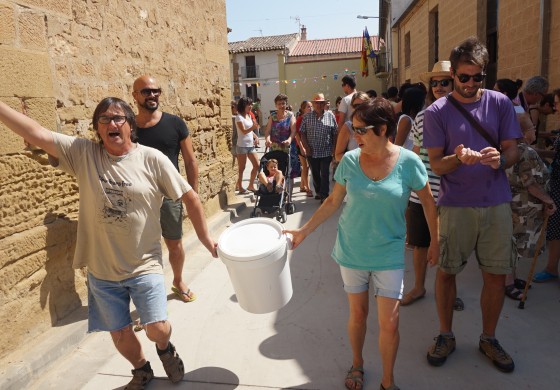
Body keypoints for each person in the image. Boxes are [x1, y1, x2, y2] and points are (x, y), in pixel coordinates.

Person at [0, 97, 218, 389]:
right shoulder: (83, 153)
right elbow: (35, 133)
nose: (112, 123)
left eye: (118, 118)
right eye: (104, 119)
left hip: (144, 265)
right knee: (119, 333)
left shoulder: (152, 159)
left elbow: (189, 196)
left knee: (156, 328)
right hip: (102, 272)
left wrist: (206, 239)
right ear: (97, 129)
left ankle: (165, 349)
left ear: (130, 125)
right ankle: (142, 370)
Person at [285, 98, 438, 390]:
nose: (355, 136)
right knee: (358, 314)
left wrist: (435, 242)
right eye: (354, 129)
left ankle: (388, 381)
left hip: (390, 253)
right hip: (352, 250)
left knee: (390, 323)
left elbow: (429, 203)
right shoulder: (351, 162)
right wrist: (302, 231)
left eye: (361, 130)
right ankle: (357, 363)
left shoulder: (409, 162)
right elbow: (332, 201)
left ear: (382, 129)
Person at [423, 36, 522, 373]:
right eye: (462, 77)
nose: (468, 84)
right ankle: (445, 334)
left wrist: (500, 160)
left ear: (484, 74)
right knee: (448, 272)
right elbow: (436, 165)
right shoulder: (437, 112)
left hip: (496, 203)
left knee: (495, 276)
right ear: (453, 76)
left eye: (476, 77)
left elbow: (514, 150)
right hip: (455, 206)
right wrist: (458, 158)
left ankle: (489, 338)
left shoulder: (500, 103)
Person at [132, 75, 199, 303]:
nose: (152, 95)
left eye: (155, 91)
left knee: (174, 242)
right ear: (135, 96)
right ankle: (148, 300)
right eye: (146, 92)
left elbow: (190, 161)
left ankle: (178, 281)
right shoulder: (127, 127)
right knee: (142, 250)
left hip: (170, 195)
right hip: (138, 198)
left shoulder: (175, 123)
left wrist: (192, 197)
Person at [401, 60, 453, 307]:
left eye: (445, 82)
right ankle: (419, 286)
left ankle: (449, 291)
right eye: (435, 83)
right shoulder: (421, 117)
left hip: (451, 193)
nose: (440, 87)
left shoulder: (461, 117)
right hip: (422, 192)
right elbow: (417, 151)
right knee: (420, 244)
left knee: (449, 246)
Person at [505, 113, 556, 300]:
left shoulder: (511, 149)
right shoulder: (525, 152)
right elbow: (530, 184)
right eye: (532, 128)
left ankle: (512, 278)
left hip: (515, 204)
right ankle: (508, 283)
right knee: (514, 245)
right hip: (522, 207)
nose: (534, 130)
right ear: (523, 132)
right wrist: (548, 200)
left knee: (514, 243)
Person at [534, 88, 560, 282]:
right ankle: (551, 268)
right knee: (554, 228)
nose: (555, 108)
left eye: (558, 104)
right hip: (557, 182)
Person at [299, 93, 337, 203]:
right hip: (312, 151)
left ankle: (324, 195)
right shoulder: (307, 117)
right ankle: (319, 192)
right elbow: (302, 133)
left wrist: (333, 149)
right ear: (314, 104)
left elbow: (335, 133)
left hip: (326, 150)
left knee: (325, 173)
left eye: (321, 103)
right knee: (315, 174)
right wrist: (306, 147)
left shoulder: (331, 115)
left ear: (325, 104)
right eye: (316, 103)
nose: (319, 105)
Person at [264, 93, 300, 202]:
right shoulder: (273, 116)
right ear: (276, 105)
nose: (281, 106)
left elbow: (293, 130)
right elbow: (268, 131)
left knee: (289, 173)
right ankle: (277, 194)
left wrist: (289, 140)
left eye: (283, 103)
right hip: (275, 148)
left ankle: (288, 197)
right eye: (279, 104)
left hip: (287, 148)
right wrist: (267, 139)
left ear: (286, 104)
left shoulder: (290, 115)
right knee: (275, 171)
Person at [334, 91, 370, 162]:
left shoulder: (375, 125)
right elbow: (338, 155)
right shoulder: (348, 126)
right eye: (356, 106)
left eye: (363, 105)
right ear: (352, 107)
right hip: (355, 170)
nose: (359, 108)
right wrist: (358, 162)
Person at [235, 97, 260, 194]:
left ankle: (250, 185)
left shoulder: (248, 116)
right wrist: (253, 127)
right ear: (243, 106)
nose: (250, 106)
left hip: (250, 145)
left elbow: (250, 131)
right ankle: (240, 187)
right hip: (242, 146)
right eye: (248, 105)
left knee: (257, 165)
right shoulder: (239, 117)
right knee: (242, 168)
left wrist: (256, 136)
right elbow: (244, 131)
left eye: (251, 104)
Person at [295, 100, 313, 197]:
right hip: (301, 146)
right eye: (308, 107)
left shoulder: (310, 118)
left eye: (311, 106)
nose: (311, 108)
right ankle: (308, 188)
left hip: (308, 146)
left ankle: (302, 185)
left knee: (306, 167)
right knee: (305, 167)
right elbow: (297, 135)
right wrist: (302, 147)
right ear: (303, 109)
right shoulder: (300, 119)